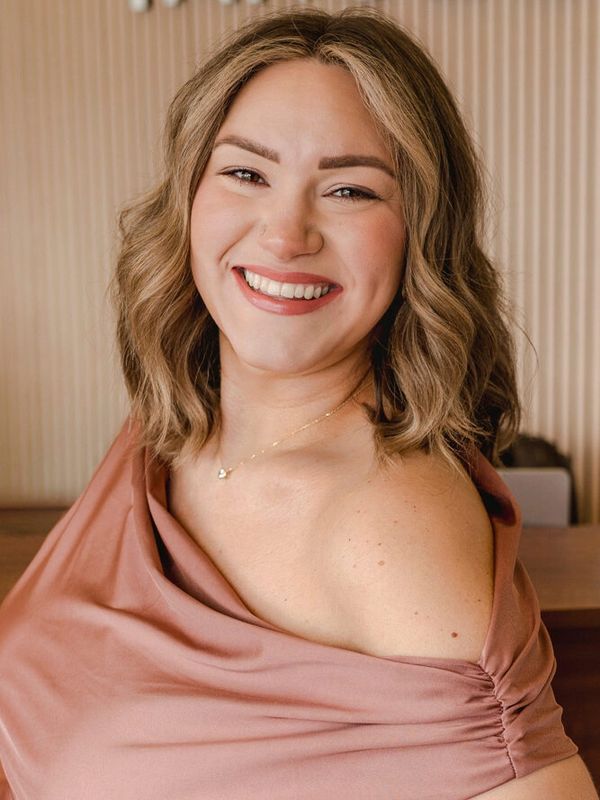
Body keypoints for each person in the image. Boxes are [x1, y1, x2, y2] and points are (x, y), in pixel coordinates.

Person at [0, 7, 597, 799]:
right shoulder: (169, 428)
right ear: (187, 198)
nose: (285, 234)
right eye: (247, 173)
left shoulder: (387, 522)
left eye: (349, 189)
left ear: (421, 232)